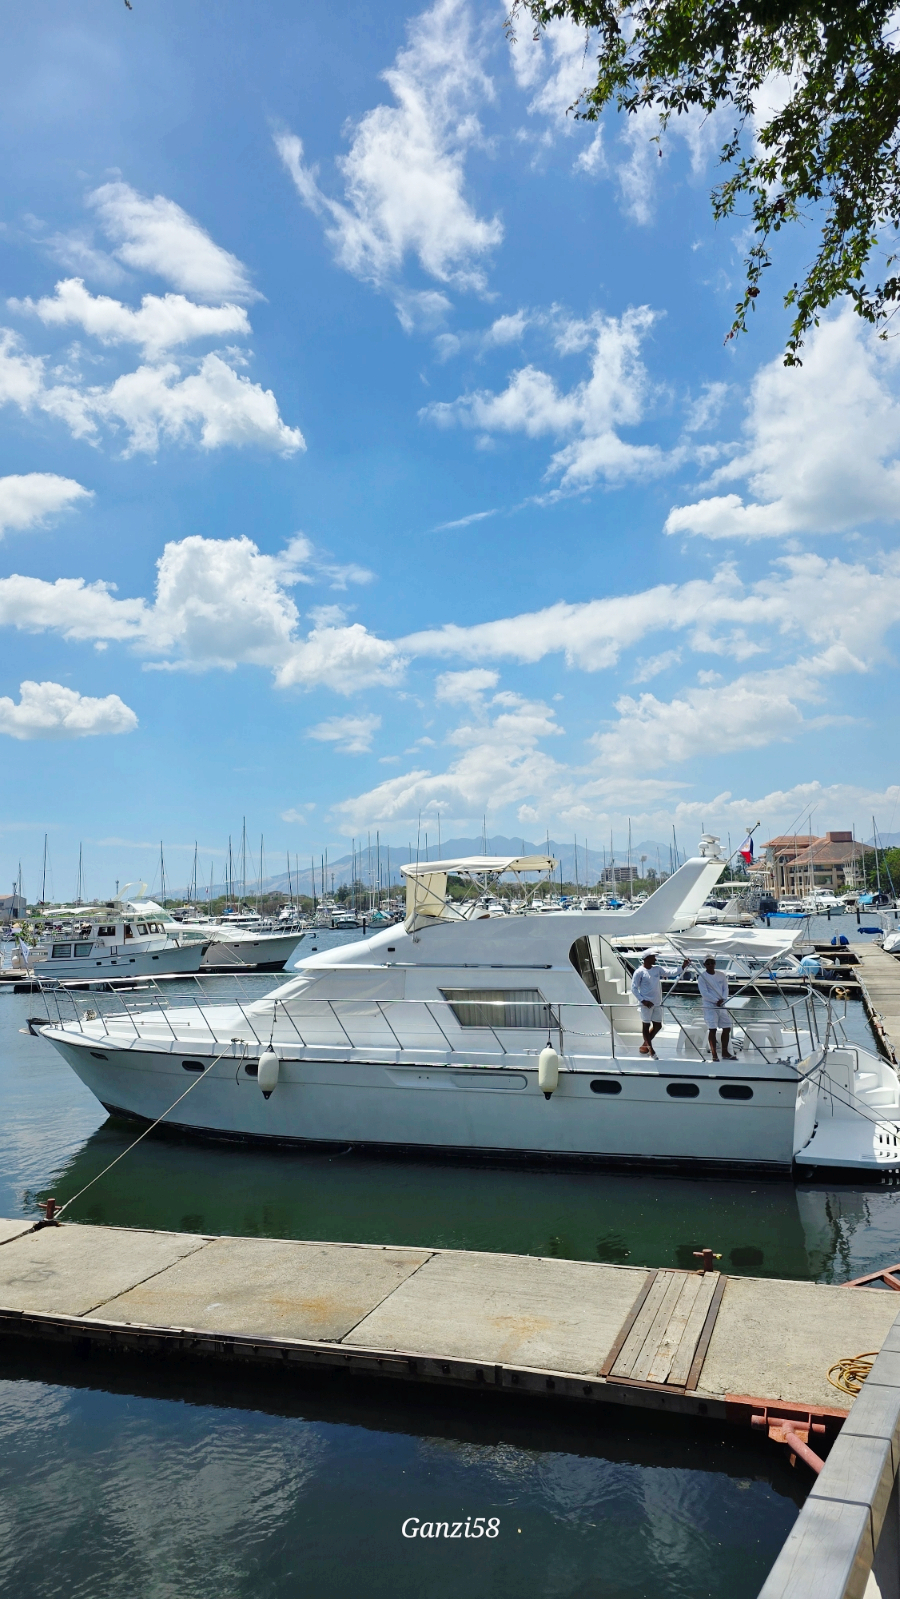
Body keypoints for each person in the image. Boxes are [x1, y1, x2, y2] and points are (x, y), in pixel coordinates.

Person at [697, 956, 735, 1061]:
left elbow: (725, 988)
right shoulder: (702, 977)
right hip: (709, 1005)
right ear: (704, 965)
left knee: (727, 1027)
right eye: (708, 963)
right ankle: (714, 1053)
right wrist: (715, 1001)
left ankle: (725, 1052)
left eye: (712, 962)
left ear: (715, 963)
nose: (710, 965)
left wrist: (723, 999)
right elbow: (704, 993)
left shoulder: (721, 975)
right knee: (712, 1028)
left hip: (722, 1004)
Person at [631, 951, 663, 1058]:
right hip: (645, 1004)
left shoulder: (657, 969)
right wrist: (643, 1000)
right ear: (647, 958)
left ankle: (645, 1045)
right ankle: (651, 1050)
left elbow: (671, 972)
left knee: (658, 1025)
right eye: (653, 957)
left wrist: (682, 967)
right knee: (646, 1025)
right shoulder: (639, 972)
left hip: (657, 1003)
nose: (655, 959)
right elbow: (634, 988)